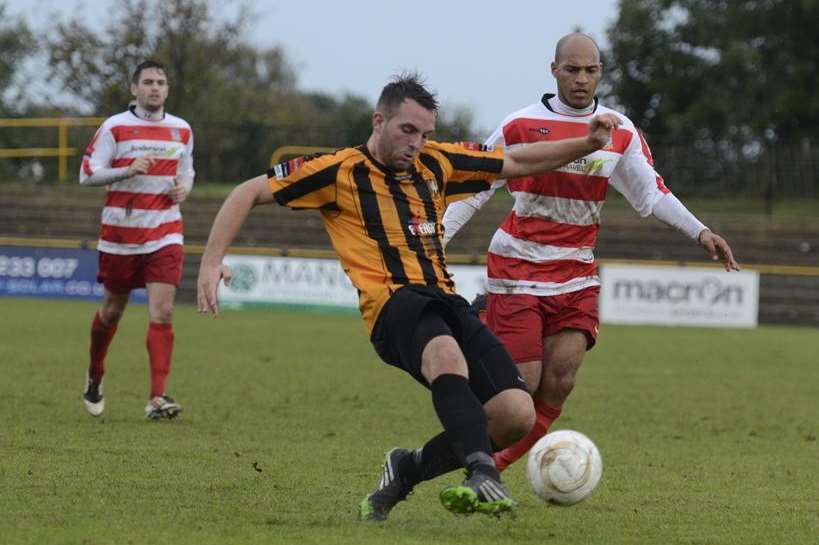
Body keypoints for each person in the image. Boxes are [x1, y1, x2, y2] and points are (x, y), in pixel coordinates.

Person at [196, 73, 620, 520]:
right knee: (445, 357)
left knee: (515, 415)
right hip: (393, 306)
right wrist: (210, 260)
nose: (417, 142)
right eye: (407, 130)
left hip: (445, 299)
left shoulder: (437, 162)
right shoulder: (338, 171)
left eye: (425, 133)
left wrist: (586, 145)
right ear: (379, 121)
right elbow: (248, 191)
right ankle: (482, 472)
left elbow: (514, 161)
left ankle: (407, 469)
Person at [442, 33, 740, 472]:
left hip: (576, 273)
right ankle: (483, 335)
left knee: (560, 380)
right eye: (572, 70)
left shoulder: (619, 130)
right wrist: (432, 245)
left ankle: (491, 470)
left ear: (600, 72)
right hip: (518, 268)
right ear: (554, 70)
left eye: (591, 70)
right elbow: (473, 190)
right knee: (522, 388)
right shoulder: (520, 125)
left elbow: (652, 193)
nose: (582, 79)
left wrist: (701, 232)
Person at [79, 60, 195, 421]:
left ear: (167, 89)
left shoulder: (182, 130)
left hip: (165, 231)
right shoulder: (115, 127)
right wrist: (126, 171)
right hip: (120, 236)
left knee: (163, 309)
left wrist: (183, 190)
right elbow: (87, 175)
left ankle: (157, 398)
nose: (155, 87)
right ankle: (95, 374)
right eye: (148, 82)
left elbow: (188, 173)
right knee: (112, 310)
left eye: (160, 81)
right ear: (134, 89)